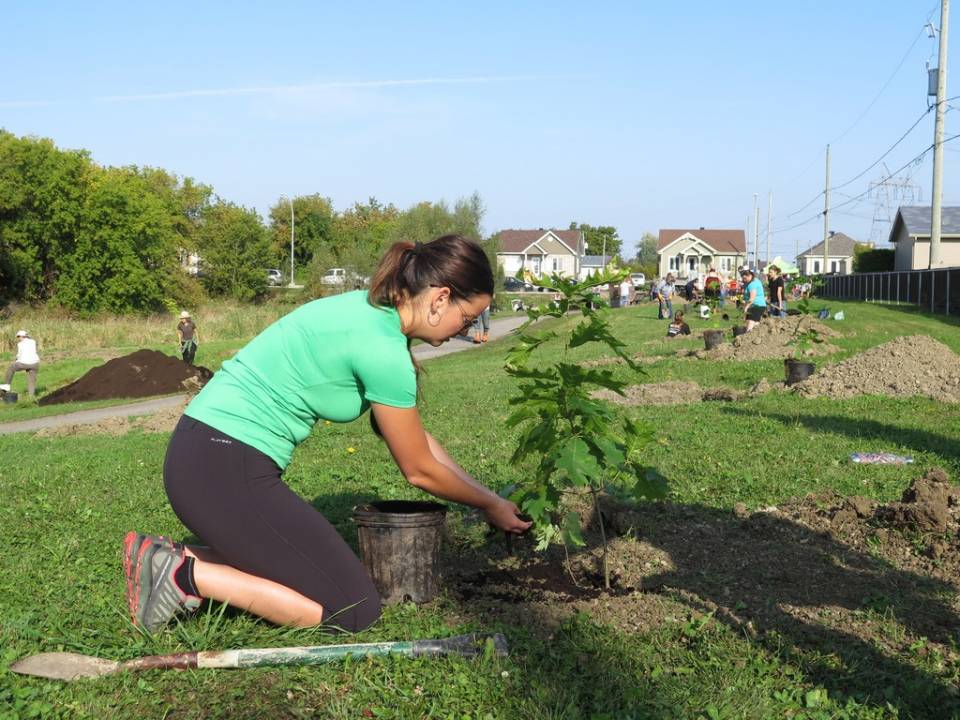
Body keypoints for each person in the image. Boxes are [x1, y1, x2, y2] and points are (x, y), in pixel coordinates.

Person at [123, 235, 530, 634]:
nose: (467, 328)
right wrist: (487, 505)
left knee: (309, 572)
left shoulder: (368, 311)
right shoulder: (383, 349)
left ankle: (162, 558)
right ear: (441, 298)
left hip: (203, 455)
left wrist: (491, 500)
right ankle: (186, 577)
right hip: (224, 468)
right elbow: (419, 470)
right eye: (468, 317)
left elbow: (417, 442)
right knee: (352, 610)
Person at [1, 330, 40, 398]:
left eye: (18, 337)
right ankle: (31, 397)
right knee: (31, 380)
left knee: (11, 368)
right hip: (35, 363)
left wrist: (16, 360)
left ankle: (6, 386)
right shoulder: (33, 341)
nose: (18, 339)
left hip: (24, 363)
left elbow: (19, 355)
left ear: (22, 336)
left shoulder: (20, 344)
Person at [740, 268, 767, 332]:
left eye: (745, 278)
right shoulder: (751, 281)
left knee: (751, 322)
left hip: (756, 305)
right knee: (756, 322)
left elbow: (752, 298)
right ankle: (755, 337)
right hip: (754, 305)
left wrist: (746, 308)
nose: (744, 280)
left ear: (750, 275)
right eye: (743, 278)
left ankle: (747, 337)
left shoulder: (753, 284)